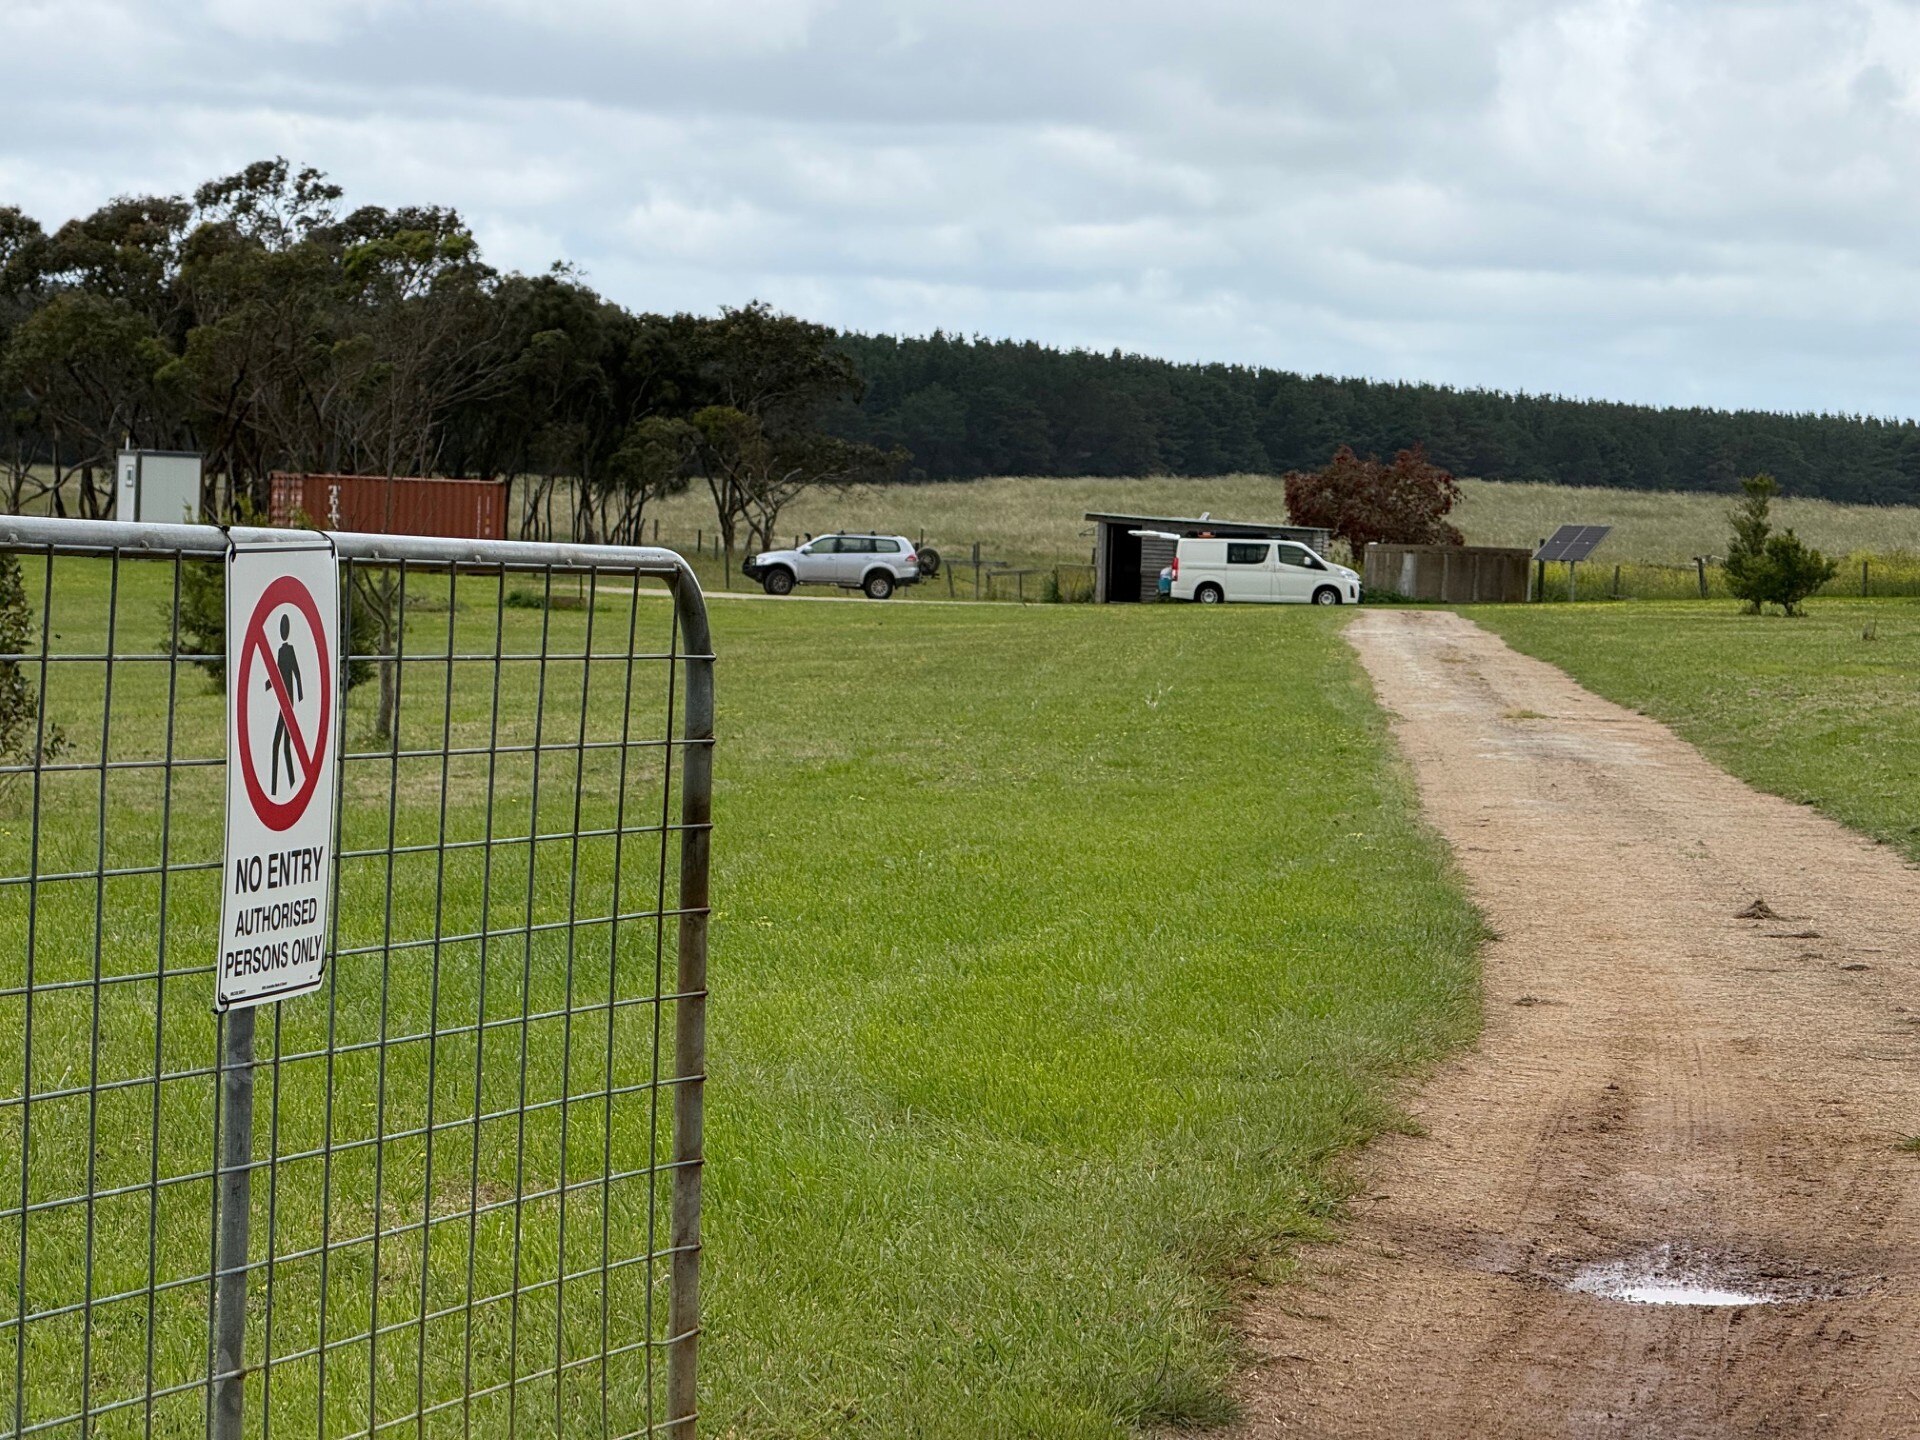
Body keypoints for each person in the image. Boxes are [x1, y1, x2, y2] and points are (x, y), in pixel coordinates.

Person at [268, 613, 303, 795]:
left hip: (288, 702)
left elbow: (296, 671)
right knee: (283, 745)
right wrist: (266, 684)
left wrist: (301, 695)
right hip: (283, 701)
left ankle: (283, 787)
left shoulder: (289, 651)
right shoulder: (281, 651)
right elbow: (276, 672)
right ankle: (289, 784)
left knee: (280, 744)